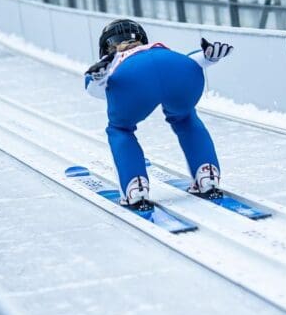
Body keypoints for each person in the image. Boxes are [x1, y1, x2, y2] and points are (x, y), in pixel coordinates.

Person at [84, 19, 233, 210]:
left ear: (107, 46)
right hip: (178, 68)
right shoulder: (153, 47)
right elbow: (192, 60)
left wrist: (98, 78)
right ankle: (207, 174)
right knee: (185, 117)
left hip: (133, 77)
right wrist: (210, 57)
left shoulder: (110, 60)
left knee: (120, 129)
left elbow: (93, 89)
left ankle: (135, 187)